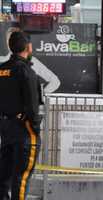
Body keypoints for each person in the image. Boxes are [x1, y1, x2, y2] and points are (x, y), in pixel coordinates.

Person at [0, 31, 42, 200]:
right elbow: (32, 106)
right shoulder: (26, 71)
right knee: (21, 178)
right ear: (28, 47)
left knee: (3, 178)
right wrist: (35, 126)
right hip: (24, 130)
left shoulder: (2, 70)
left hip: (5, 129)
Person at [0, 26, 61, 93]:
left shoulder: (31, 61)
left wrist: (39, 96)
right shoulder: (1, 61)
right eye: (9, 39)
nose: (10, 42)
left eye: (14, 39)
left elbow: (55, 81)